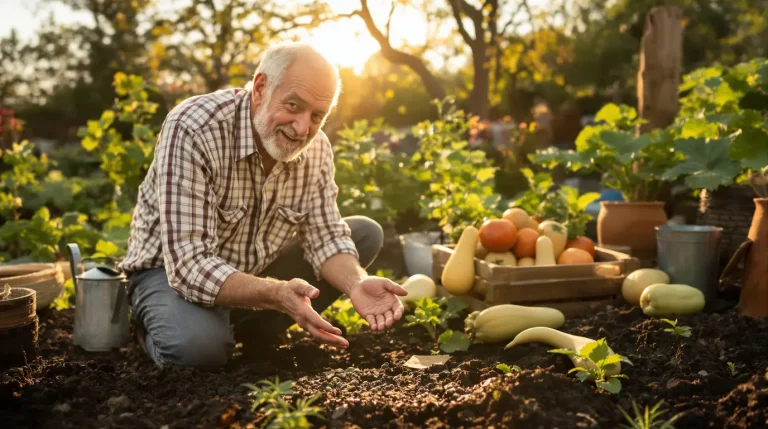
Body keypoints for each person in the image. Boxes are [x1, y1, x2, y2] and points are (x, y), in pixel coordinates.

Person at [118, 42, 408, 369]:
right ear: (260, 88)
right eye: (294, 105)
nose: (302, 128)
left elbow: (325, 237)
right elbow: (189, 265)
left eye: (317, 115)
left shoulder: (316, 150)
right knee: (197, 351)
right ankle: (149, 326)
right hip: (168, 272)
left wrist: (356, 283)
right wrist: (275, 293)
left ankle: (254, 330)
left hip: (252, 274)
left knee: (364, 233)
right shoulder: (194, 128)